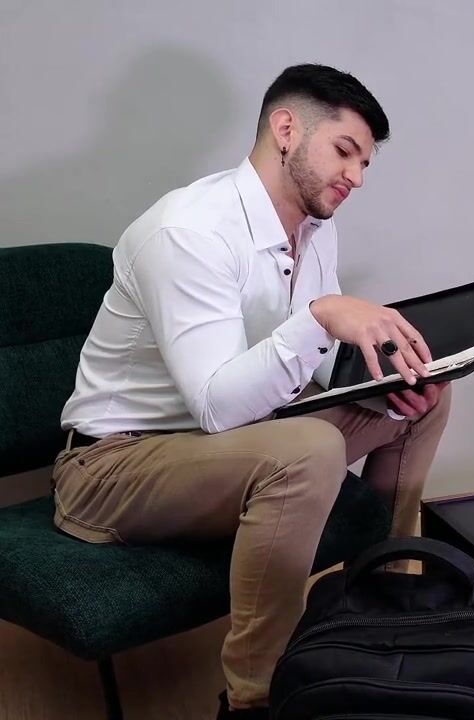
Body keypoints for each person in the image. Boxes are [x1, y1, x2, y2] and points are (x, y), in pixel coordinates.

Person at [52, 64, 451, 718]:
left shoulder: (316, 230)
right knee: (309, 449)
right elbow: (217, 406)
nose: (356, 176)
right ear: (286, 129)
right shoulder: (189, 230)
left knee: (422, 400)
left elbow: (312, 368)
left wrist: (385, 377)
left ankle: (387, 612)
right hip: (111, 467)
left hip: (235, 442)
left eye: (365, 164)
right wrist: (323, 316)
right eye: (344, 151)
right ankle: (257, 700)